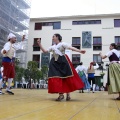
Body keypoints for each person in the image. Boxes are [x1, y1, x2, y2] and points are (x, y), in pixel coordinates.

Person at [37, 33, 86, 101]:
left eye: (53, 36)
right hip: (55, 63)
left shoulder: (63, 44)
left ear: (57, 37)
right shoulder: (52, 47)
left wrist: (79, 51)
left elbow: (71, 48)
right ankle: (61, 95)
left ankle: (68, 94)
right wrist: (39, 44)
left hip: (63, 62)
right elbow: (45, 51)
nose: (52, 38)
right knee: (57, 77)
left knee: (66, 77)